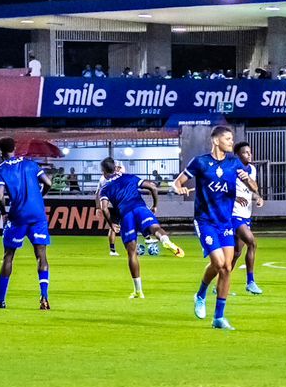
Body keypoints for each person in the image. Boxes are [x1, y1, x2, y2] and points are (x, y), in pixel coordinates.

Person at [174, 126, 255, 330]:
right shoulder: (200, 162)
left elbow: (254, 187)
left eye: (231, 138)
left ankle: (218, 317)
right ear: (216, 141)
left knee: (226, 268)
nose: (231, 141)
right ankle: (201, 294)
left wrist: (248, 180)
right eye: (227, 138)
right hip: (205, 221)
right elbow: (177, 182)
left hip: (226, 222)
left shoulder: (234, 163)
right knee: (219, 263)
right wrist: (179, 188)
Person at [98, 157, 184, 298]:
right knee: (155, 228)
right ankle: (165, 240)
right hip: (140, 208)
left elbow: (104, 209)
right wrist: (155, 205)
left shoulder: (105, 188)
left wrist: (112, 224)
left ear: (103, 172)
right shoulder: (130, 177)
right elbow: (152, 187)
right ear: (115, 167)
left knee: (132, 253)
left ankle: (138, 291)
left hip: (126, 215)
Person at [0, 136, 52, 309]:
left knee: (9, 256)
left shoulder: (0, 171)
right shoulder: (31, 164)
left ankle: (1, 300)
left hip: (18, 216)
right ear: (14, 148)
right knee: (41, 255)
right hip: (38, 215)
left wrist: (4, 213)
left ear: (0, 151)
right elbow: (48, 182)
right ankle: (44, 296)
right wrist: (39, 197)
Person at [230, 140, 264, 294]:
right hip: (234, 214)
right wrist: (234, 198)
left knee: (237, 252)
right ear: (237, 155)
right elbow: (221, 189)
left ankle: (221, 284)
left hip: (246, 214)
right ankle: (250, 282)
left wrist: (257, 197)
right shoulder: (230, 168)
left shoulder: (252, 169)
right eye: (245, 152)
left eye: (250, 152)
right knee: (252, 243)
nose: (249, 155)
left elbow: (253, 187)